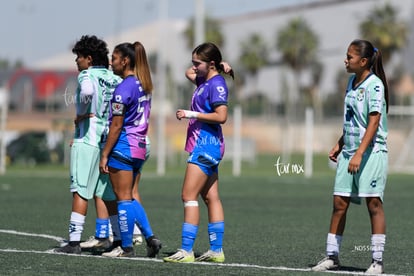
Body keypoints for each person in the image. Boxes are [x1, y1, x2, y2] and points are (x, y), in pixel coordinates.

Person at [312, 39, 389, 274]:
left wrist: (359, 153)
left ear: (363, 61)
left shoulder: (375, 85)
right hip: (349, 152)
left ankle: (377, 261)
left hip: (371, 153)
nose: (345, 60)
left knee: (373, 203)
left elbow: (374, 122)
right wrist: (340, 143)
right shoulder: (350, 82)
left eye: (350, 57)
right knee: (339, 204)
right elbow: (352, 119)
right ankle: (332, 256)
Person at [163, 42, 234, 263]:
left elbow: (221, 116)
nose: (193, 67)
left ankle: (186, 250)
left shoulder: (216, 84)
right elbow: (188, 72)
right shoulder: (205, 80)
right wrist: (218, 65)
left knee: (188, 195)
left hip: (206, 144)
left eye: (197, 63)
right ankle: (216, 250)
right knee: (210, 197)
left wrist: (190, 113)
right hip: (207, 144)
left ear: (210, 64)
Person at [55, 35, 121, 254]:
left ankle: (74, 243)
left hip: (88, 140)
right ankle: (119, 239)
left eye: (79, 57)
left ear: (89, 59)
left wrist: (83, 114)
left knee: (81, 190)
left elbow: (87, 92)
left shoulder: (87, 74)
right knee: (108, 193)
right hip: (108, 141)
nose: (77, 62)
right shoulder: (114, 78)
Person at [99, 41, 161, 258]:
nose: (111, 62)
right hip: (140, 147)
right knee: (131, 196)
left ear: (125, 61)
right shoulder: (144, 83)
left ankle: (125, 247)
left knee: (123, 197)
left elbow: (116, 126)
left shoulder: (123, 87)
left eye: (114, 58)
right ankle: (151, 238)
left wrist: (105, 154)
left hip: (124, 146)